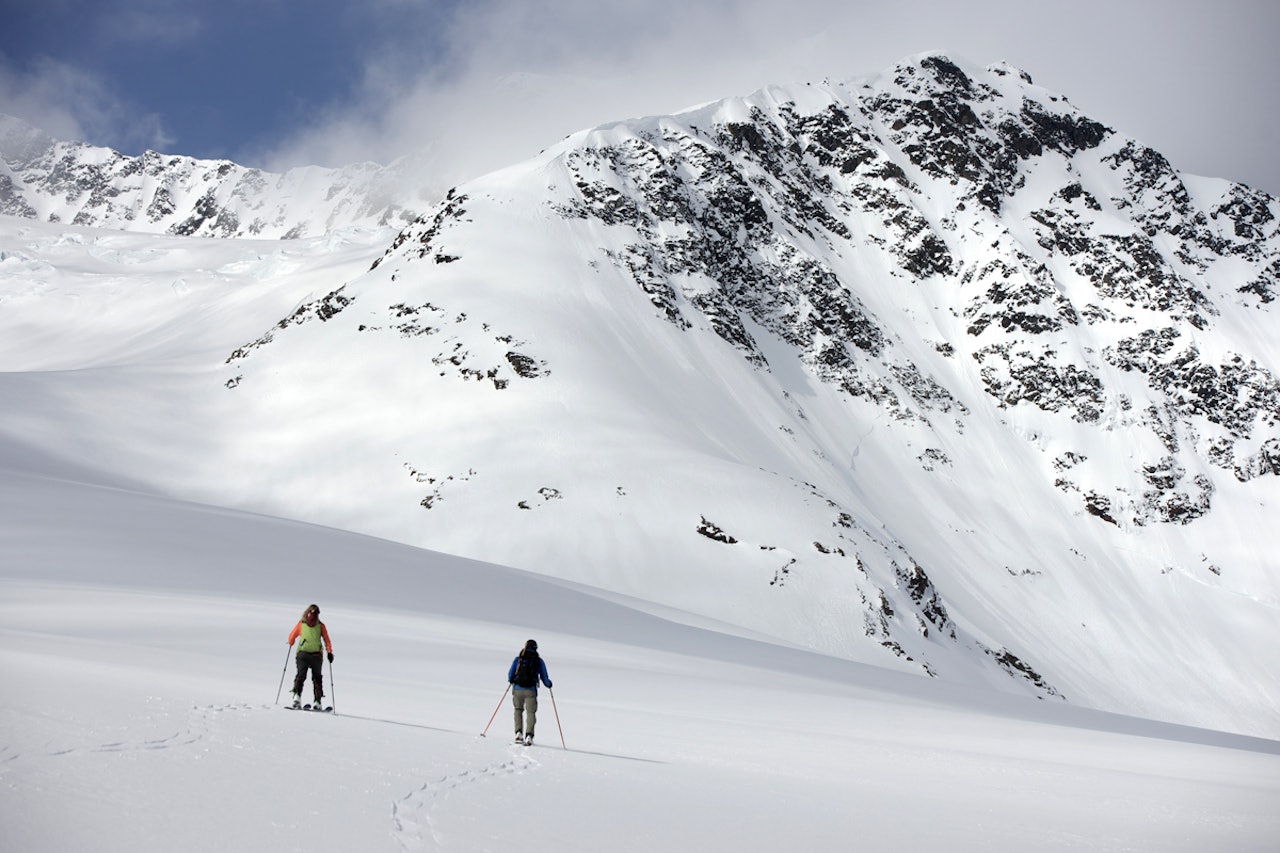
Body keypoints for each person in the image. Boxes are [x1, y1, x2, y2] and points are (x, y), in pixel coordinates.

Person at [287, 604, 333, 708]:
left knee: (301, 675)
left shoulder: (301, 624)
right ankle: (317, 701)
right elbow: (327, 640)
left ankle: (296, 697)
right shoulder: (321, 625)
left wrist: (291, 642)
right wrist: (329, 652)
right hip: (316, 655)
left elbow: (291, 637)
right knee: (317, 678)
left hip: (302, 653)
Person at [508, 639, 552, 744]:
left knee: (518, 710)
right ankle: (529, 735)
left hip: (517, 689)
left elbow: (510, 674)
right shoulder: (538, 660)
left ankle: (518, 733)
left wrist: (512, 680)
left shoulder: (518, 659)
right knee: (531, 713)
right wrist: (549, 684)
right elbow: (544, 677)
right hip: (531, 690)